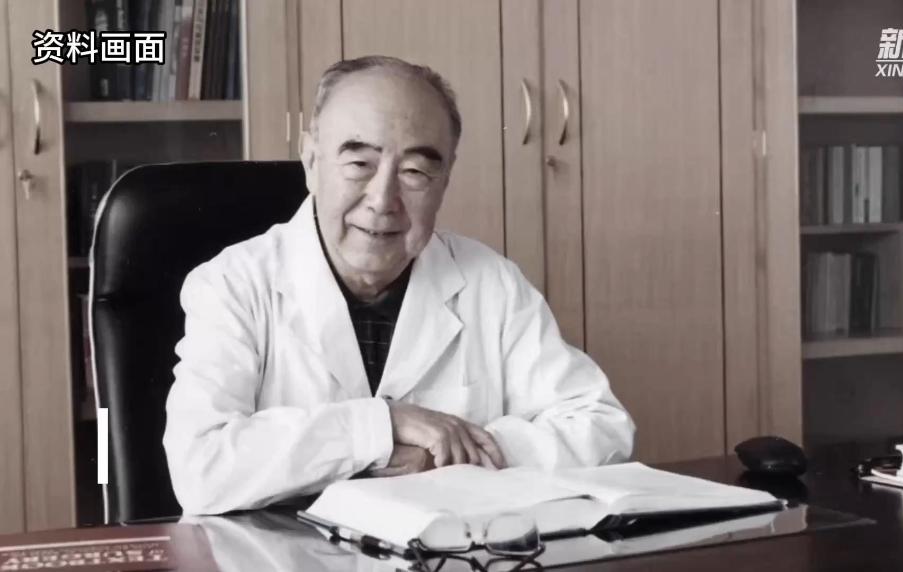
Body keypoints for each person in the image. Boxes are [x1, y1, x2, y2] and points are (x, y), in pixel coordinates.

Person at [163, 56, 635, 515]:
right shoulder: (233, 284)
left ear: (444, 179)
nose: (382, 200)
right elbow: (200, 469)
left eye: (415, 172)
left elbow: (602, 426)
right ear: (310, 160)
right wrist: (383, 424)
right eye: (359, 163)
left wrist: (451, 459)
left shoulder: (490, 283)